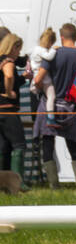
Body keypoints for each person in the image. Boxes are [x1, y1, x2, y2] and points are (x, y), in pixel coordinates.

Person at [31, 22, 76, 192]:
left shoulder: (53, 54)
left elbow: (38, 79)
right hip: (70, 108)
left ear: (61, 37)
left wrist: (35, 86)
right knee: (73, 145)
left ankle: (54, 187)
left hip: (49, 106)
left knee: (48, 145)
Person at [0, 31, 28, 189]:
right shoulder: (8, 61)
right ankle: (19, 183)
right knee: (19, 145)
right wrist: (9, 91)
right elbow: (9, 76)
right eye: (18, 49)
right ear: (12, 47)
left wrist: (23, 78)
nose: (19, 54)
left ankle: (3, 183)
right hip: (8, 110)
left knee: (3, 147)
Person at [28, 28, 58, 122]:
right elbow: (49, 57)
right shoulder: (41, 50)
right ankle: (50, 116)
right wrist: (53, 49)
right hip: (44, 78)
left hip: (37, 76)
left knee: (45, 98)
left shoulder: (35, 49)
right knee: (51, 96)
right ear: (50, 42)